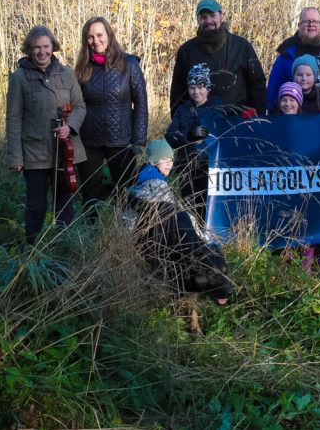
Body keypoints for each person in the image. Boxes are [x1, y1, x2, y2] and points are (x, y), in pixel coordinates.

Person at [126, 140, 233, 305]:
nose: (169, 163)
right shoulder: (158, 185)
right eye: (164, 159)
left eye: (171, 159)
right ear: (153, 161)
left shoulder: (143, 178)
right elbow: (165, 216)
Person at [6, 25, 87, 244]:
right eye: (37, 47)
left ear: (53, 47)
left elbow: (80, 106)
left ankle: (63, 245)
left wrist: (69, 126)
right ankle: (32, 249)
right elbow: (13, 119)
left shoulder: (67, 74)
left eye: (46, 46)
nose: (42, 52)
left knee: (65, 203)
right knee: (36, 205)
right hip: (34, 153)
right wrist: (16, 157)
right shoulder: (19, 78)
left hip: (64, 152)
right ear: (30, 50)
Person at [74, 17, 148, 218]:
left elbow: (141, 103)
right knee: (90, 195)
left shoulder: (129, 64)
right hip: (90, 141)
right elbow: (76, 105)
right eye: (90, 37)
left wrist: (139, 139)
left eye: (99, 35)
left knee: (127, 193)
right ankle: (91, 235)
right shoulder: (82, 68)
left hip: (122, 141)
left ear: (108, 35)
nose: (95, 40)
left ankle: (127, 236)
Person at [166, 64, 240, 221]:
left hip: (209, 165)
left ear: (208, 88)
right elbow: (170, 135)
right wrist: (188, 136)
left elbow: (223, 134)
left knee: (209, 204)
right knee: (189, 203)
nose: (196, 91)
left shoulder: (217, 108)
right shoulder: (183, 110)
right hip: (185, 165)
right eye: (192, 87)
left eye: (200, 87)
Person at [169, 0, 267, 115]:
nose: (208, 21)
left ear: (222, 16)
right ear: (198, 20)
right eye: (203, 17)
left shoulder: (242, 46)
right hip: (199, 123)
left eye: (212, 15)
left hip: (237, 121)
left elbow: (257, 85)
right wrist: (181, 124)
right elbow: (177, 93)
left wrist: (257, 119)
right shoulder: (186, 51)